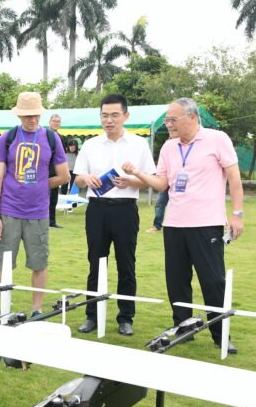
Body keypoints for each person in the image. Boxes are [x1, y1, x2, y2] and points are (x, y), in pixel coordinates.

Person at [123, 97, 244, 353]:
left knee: (213, 281)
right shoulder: (169, 146)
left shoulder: (217, 139)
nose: (168, 124)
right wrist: (138, 173)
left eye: (172, 119)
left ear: (192, 117)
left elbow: (234, 177)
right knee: (177, 280)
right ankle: (183, 327)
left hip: (207, 224)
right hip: (175, 224)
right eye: (167, 119)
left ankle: (220, 334)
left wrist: (237, 214)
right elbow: (161, 184)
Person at [74, 94, 156, 337]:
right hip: (97, 210)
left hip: (125, 209)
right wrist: (86, 179)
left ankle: (126, 317)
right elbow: (78, 177)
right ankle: (92, 315)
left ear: (125, 116)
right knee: (96, 262)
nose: (109, 120)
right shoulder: (90, 145)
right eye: (104, 115)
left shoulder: (139, 144)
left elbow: (150, 180)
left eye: (114, 115)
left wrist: (131, 180)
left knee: (126, 264)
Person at [0, 92, 69, 315]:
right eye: (26, 115)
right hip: (8, 210)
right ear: (19, 115)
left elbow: (64, 176)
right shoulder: (8, 137)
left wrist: (40, 184)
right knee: (3, 263)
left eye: (35, 115)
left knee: (39, 263)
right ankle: (4, 310)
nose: (31, 119)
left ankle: (37, 310)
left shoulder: (52, 138)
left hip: (38, 212)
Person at [47, 114, 64, 228]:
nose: (56, 123)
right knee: (43, 197)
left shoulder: (61, 138)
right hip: (45, 171)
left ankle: (52, 222)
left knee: (54, 198)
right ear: (50, 122)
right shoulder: (44, 135)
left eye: (58, 121)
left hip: (56, 171)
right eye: (54, 121)